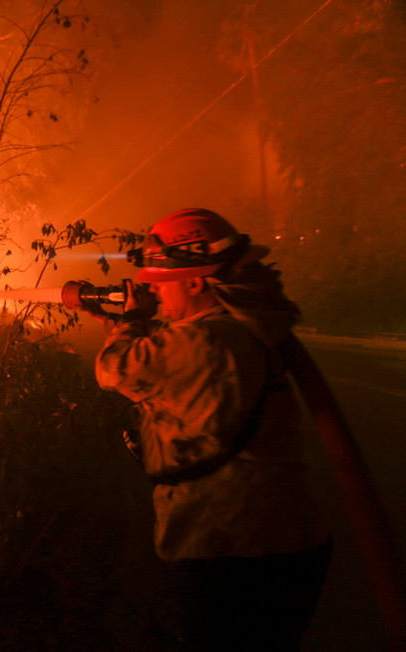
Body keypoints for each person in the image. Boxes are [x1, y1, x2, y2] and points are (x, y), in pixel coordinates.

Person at [81, 208, 331, 650]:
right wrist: (134, 320)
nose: (152, 288)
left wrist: (129, 322)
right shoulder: (234, 326)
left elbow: (114, 369)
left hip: (236, 548)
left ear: (195, 282)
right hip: (268, 542)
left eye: (160, 280)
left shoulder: (204, 342)